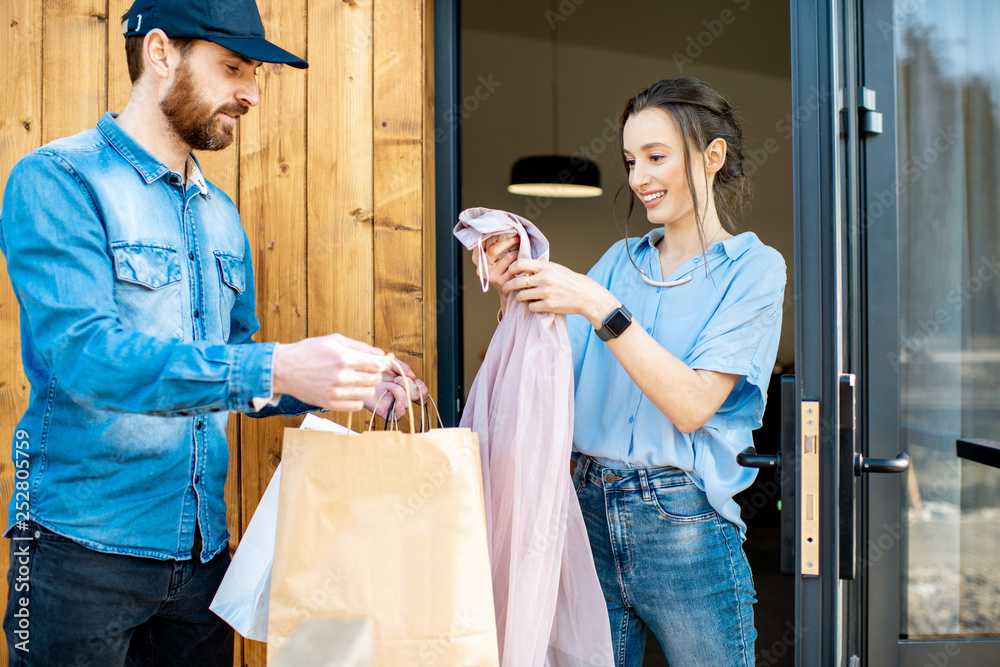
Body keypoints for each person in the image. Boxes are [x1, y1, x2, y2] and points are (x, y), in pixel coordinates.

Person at [0, 0, 425, 664]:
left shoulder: (221, 217)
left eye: (253, 73)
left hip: (201, 565)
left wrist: (338, 384)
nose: (251, 93)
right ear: (160, 53)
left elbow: (232, 370)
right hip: (77, 553)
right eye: (232, 68)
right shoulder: (58, 180)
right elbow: (86, 357)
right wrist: (276, 367)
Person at [476, 78, 785, 666]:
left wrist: (598, 305)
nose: (639, 177)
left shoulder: (755, 270)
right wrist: (517, 280)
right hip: (584, 512)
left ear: (711, 157)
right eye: (629, 160)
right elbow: (547, 364)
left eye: (656, 157)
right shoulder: (619, 263)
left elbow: (693, 404)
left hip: (685, 529)